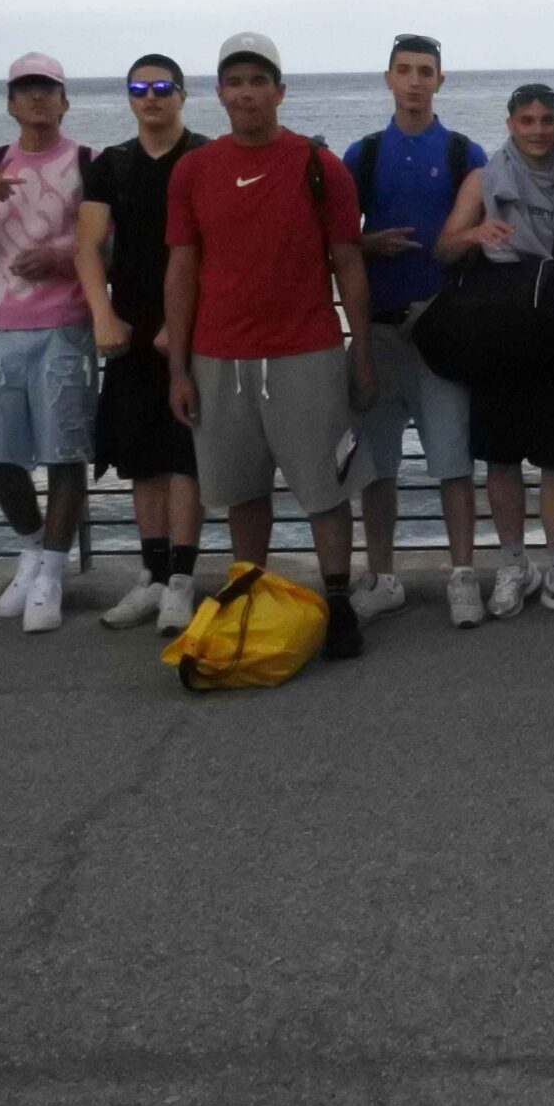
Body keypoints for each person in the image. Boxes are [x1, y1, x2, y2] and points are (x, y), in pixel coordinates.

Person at [164, 34, 376, 661]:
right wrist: (178, 368)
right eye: (235, 82)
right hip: (219, 355)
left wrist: (361, 351)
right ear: (219, 93)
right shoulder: (194, 169)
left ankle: (337, 600)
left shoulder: (319, 165)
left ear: (280, 92)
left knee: (325, 489)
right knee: (242, 490)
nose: (247, 93)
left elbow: (348, 262)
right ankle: (249, 592)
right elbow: (181, 268)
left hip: (306, 351)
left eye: (259, 81)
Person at [435, 84, 554, 618]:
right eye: (527, 120)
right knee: (501, 457)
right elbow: (443, 249)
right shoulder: (484, 180)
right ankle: (513, 564)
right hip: (499, 328)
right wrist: (475, 234)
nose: (538, 130)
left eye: (547, 119)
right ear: (510, 123)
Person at [0, 53, 96, 636]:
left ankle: (51, 573)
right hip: (2, 327)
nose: (37, 98)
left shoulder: (88, 163)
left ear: (65, 101)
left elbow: (107, 243)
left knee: (65, 453)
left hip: (66, 324)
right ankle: (33, 549)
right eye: (26, 90)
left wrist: (60, 255)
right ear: (10, 104)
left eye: (47, 89)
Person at [340, 35, 482, 627]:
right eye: (405, 70)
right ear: (389, 79)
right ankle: (382, 576)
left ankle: (462, 575)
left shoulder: (464, 153)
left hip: (441, 331)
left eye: (426, 71)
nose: (415, 81)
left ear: (440, 81)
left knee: (453, 462)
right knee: (376, 468)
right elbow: (333, 242)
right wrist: (367, 243)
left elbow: (485, 238)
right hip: (377, 331)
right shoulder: (365, 154)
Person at [74, 54, 207, 634]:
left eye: (161, 87)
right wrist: (102, 315)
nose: (150, 96)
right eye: (139, 87)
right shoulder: (113, 164)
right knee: (141, 457)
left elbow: (218, 247)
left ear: (181, 95)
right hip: (129, 327)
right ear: (129, 97)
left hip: (194, 329)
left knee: (185, 455)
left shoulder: (204, 158)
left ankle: (181, 580)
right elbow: (87, 246)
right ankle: (151, 576)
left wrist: (183, 323)